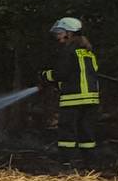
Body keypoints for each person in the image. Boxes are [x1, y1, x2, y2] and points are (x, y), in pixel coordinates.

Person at [43, 17, 101, 167]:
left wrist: (45, 76)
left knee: (66, 131)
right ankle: (91, 164)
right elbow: (93, 71)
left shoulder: (67, 51)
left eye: (60, 33)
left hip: (73, 98)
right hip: (92, 99)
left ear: (69, 33)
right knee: (86, 131)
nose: (58, 37)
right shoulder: (88, 52)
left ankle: (65, 163)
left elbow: (60, 73)